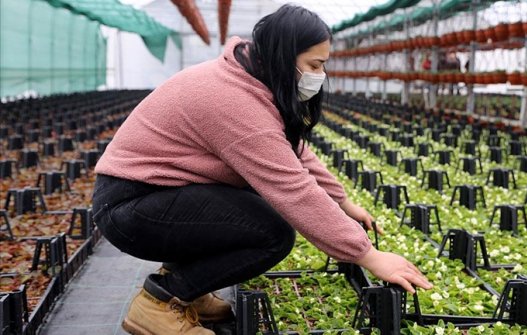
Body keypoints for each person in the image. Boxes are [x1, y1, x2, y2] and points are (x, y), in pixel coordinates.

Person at [92, 5, 432, 335]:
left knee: (253, 206)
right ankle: (159, 302)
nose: (320, 75)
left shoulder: (248, 77)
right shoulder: (234, 102)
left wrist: (343, 202)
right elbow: (292, 188)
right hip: (131, 208)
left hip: (153, 197)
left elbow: (294, 152)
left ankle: (187, 288)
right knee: (272, 232)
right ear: (285, 57)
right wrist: (368, 255)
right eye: (314, 64)